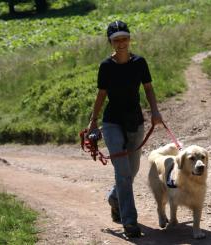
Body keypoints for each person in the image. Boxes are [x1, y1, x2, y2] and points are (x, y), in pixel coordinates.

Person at [87, 20, 163, 238]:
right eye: (116, 39)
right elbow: (101, 95)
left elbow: (148, 88)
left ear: (129, 39)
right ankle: (130, 222)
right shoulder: (106, 66)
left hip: (135, 122)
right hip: (112, 123)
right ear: (110, 42)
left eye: (124, 38)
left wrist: (156, 112)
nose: (121, 43)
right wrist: (93, 121)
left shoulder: (140, 62)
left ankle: (114, 198)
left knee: (133, 169)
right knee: (122, 173)